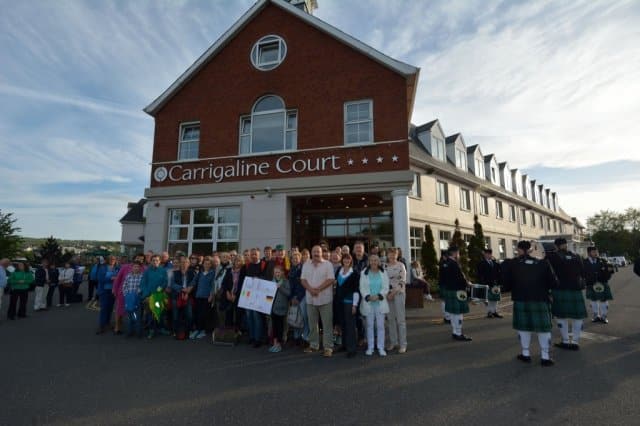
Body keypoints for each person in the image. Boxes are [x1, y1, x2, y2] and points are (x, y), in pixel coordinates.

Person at [502, 241, 558, 366]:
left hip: (521, 299)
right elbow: (554, 283)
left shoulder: (512, 264)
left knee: (523, 327)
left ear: (519, 250)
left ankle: (525, 354)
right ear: (531, 250)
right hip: (540, 299)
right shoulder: (543, 263)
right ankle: (545, 357)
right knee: (543, 329)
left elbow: (506, 284)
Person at [546, 238, 587, 350]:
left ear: (555, 246)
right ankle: (575, 342)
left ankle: (565, 340)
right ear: (566, 245)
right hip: (575, 289)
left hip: (559, 289)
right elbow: (583, 273)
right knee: (577, 316)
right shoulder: (576, 256)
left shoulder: (551, 256)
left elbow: (546, 273)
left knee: (560, 316)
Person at [301, 245, 336, 357]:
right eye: (314, 251)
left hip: (325, 299)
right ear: (311, 253)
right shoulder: (306, 264)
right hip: (310, 299)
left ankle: (328, 347)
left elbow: (331, 279)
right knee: (312, 324)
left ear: (321, 253)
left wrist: (318, 289)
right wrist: (311, 290)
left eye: (318, 251)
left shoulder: (328, 264)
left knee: (327, 324)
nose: (316, 253)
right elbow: (303, 280)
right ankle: (313, 345)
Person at [359, 254, 389, 356]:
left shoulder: (383, 272)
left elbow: (386, 287)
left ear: (379, 262)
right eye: (371, 260)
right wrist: (368, 296)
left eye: (375, 260)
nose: (373, 262)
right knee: (369, 326)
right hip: (369, 303)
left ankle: (381, 347)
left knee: (380, 326)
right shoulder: (364, 273)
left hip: (380, 302)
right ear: (369, 262)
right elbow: (362, 287)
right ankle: (370, 347)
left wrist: (379, 296)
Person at [441, 246, 472, 341]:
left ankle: (455, 332)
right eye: (458, 253)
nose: (459, 255)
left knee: (453, 314)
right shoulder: (454, 264)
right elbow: (460, 278)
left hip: (449, 290)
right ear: (454, 253)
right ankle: (458, 333)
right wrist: (467, 283)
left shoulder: (445, 263)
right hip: (457, 291)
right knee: (458, 313)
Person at [113, 253, 145, 335]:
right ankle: (117, 327)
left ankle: (134, 329)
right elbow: (118, 279)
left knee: (133, 312)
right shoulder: (125, 267)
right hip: (123, 293)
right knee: (119, 310)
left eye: (141, 259)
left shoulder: (143, 269)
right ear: (134, 258)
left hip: (136, 296)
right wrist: (114, 289)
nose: (139, 260)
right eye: (138, 258)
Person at [335, 254, 360, 358]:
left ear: (351, 261)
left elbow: (356, 290)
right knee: (343, 324)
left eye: (348, 259)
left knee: (350, 326)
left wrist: (355, 305)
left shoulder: (354, 273)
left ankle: (352, 349)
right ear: (342, 260)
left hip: (349, 302)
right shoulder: (339, 270)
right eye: (345, 259)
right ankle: (344, 345)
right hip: (339, 302)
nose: (346, 260)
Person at [242, 248, 267, 347]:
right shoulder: (248, 265)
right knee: (249, 316)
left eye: (255, 254)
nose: (253, 256)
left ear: (259, 255)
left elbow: (267, 277)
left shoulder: (264, 264)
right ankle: (251, 337)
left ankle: (258, 339)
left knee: (256, 316)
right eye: (252, 254)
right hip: (248, 294)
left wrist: (259, 279)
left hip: (259, 295)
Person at [140, 254, 169, 339]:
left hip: (159, 296)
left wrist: (158, 292)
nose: (155, 262)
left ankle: (161, 328)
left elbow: (164, 283)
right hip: (149, 297)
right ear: (151, 261)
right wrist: (147, 295)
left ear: (159, 261)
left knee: (160, 312)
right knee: (150, 314)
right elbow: (143, 284)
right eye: (153, 260)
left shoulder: (163, 271)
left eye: (157, 260)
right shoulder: (147, 271)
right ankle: (151, 330)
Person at [385, 247, 408, 353]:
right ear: (387, 255)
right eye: (390, 253)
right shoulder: (384, 266)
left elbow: (402, 281)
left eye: (394, 253)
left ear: (397, 255)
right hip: (388, 295)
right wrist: (386, 293)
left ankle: (403, 344)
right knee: (390, 320)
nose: (392, 255)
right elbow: (382, 281)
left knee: (400, 320)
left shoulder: (401, 265)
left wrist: (393, 293)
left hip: (398, 294)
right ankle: (394, 342)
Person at [583, 246, 614, 324]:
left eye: (596, 252)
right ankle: (596, 315)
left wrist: (607, 275)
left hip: (602, 283)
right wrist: (586, 281)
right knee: (593, 299)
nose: (596, 253)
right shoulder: (584, 262)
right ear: (589, 253)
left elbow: (611, 270)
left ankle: (604, 316)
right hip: (590, 284)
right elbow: (582, 273)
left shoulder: (603, 261)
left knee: (603, 300)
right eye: (594, 252)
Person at [190, 256, 214, 340]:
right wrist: (188, 288)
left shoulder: (212, 273)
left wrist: (211, 295)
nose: (207, 265)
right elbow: (194, 281)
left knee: (204, 314)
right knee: (198, 314)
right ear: (203, 264)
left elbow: (213, 285)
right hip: (198, 296)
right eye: (205, 263)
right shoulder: (200, 273)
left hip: (206, 297)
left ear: (211, 265)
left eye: (208, 264)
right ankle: (197, 329)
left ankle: (203, 330)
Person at [170, 257, 195, 337]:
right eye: (183, 262)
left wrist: (187, 291)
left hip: (188, 296)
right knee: (175, 315)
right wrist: (182, 289)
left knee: (189, 315)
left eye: (186, 262)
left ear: (189, 264)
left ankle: (188, 331)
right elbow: (172, 284)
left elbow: (193, 283)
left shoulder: (192, 273)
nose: (184, 264)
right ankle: (175, 331)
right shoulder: (175, 273)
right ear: (180, 263)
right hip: (177, 296)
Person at [288, 251, 308, 346]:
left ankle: (305, 337)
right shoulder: (291, 269)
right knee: (295, 317)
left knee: (304, 317)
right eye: (293, 258)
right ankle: (297, 336)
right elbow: (290, 286)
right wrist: (291, 297)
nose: (295, 260)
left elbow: (304, 285)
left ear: (300, 259)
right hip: (294, 296)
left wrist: (298, 298)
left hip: (302, 296)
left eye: (297, 258)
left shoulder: (303, 269)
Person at [269, 265, 291, 353]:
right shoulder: (272, 281)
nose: (277, 274)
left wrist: (280, 287)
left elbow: (288, 293)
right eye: (275, 272)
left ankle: (279, 343)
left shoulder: (286, 282)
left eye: (278, 272)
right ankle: (275, 343)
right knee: (274, 326)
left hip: (282, 307)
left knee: (280, 326)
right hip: (273, 307)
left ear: (282, 272)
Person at [96, 256, 120, 334]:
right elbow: (100, 279)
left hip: (113, 291)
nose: (112, 260)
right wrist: (111, 278)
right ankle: (101, 325)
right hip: (104, 291)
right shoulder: (102, 267)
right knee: (104, 308)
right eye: (110, 259)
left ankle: (107, 323)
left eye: (114, 259)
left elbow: (119, 277)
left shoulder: (117, 268)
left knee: (110, 308)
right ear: (107, 260)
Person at [477, 249, 503, 318]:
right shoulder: (481, 263)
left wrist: (499, 282)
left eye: (490, 254)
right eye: (487, 254)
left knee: (495, 298)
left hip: (495, 283)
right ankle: (489, 312)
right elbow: (479, 275)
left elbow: (499, 272)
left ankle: (494, 311)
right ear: (484, 255)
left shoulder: (495, 263)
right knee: (488, 299)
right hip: (486, 284)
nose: (489, 255)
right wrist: (482, 283)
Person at [122, 261, 144, 337]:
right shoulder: (128, 276)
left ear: (140, 268)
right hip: (129, 299)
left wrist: (138, 293)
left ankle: (138, 332)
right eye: (135, 266)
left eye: (138, 267)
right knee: (129, 316)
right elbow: (124, 286)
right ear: (132, 267)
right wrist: (126, 295)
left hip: (137, 298)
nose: (136, 268)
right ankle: (129, 331)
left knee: (138, 316)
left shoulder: (142, 276)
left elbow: (142, 287)